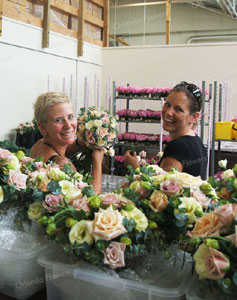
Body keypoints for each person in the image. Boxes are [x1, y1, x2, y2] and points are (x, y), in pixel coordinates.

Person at [124, 81, 207, 180]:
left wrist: (135, 168)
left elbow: (162, 191)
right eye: (167, 105)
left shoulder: (178, 147)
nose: (168, 112)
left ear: (194, 117)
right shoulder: (197, 142)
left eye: (178, 109)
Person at [30, 92, 104, 194]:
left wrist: (79, 143)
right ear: (43, 127)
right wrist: (97, 161)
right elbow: (91, 199)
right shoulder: (62, 164)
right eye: (58, 120)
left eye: (70, 117)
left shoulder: (39, 145)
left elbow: (59, 152)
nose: (68, 125)